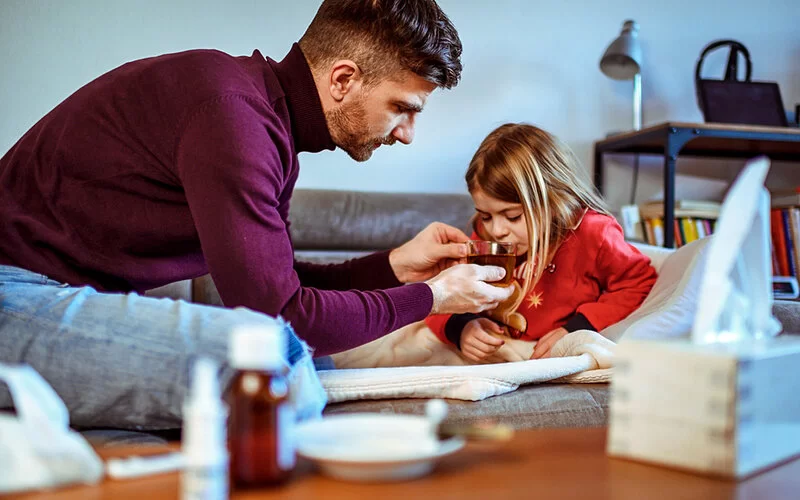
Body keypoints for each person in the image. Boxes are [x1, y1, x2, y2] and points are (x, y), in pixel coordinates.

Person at [0, 0, 513, 428]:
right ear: (343, 79)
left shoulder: (267, 126)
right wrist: (432, 296)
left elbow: (275, 286)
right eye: (403, 107)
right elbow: (282, 316)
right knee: (273, 364)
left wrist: (395, 266)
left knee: (302, 357)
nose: (406, 133)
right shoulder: (233, 116)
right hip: (12, 293)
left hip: (63, 294)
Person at [426, 123, 659, 363]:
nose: (496, 231)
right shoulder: (485, 237)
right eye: (486, 216)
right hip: (496, 353)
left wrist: (579, 328)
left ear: (553, 200)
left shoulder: (592, 232)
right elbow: (439, 293)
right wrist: (462, 328)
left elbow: (638, 283)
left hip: (543, 355)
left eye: (513, 216)